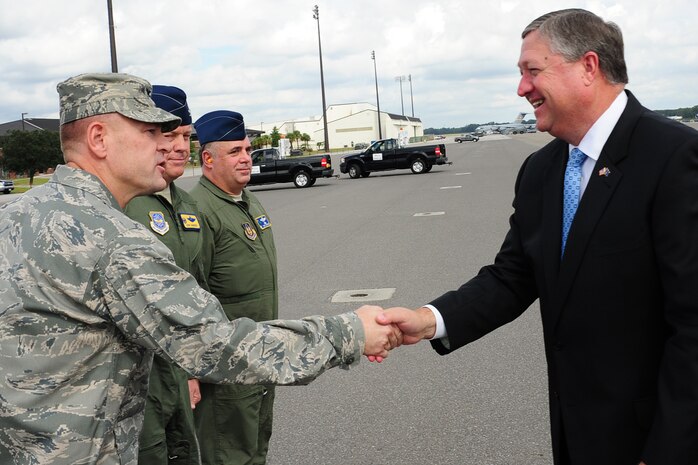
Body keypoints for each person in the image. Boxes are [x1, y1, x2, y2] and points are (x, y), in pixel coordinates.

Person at [0, 72, 400, 465]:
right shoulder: (113, 239)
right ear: (99, 139)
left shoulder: (14, 215)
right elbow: (212, 343)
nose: (165, 146)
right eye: (149, 133)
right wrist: (350, 332)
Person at [379, 9, 698, 465]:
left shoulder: (674, 158)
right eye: (520, 73)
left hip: (652, 439)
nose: (521, 88)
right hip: (575, 432)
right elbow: (513, 276)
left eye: (533, 70)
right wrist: (428, 319)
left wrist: (668, 451)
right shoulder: (542, 170)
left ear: (588, 67)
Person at [188, 110, 278, 465]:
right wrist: (191, 372)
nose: (245, 158)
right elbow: (191, 295)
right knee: (229, 454)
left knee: (256, 449)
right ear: (207, 159)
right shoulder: (200, 211)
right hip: (225, 369)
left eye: (247, 150)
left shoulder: (247, 199)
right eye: (234, 151)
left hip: (261, 355)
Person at [124, 85, 205, 465]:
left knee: (185, 452)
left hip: (176, 364)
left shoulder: (186, 204)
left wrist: (189, 370)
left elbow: (196, 288)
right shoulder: (125, 202)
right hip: (138, 373)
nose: (177, 146)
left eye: (184, 136)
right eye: (167, 135)